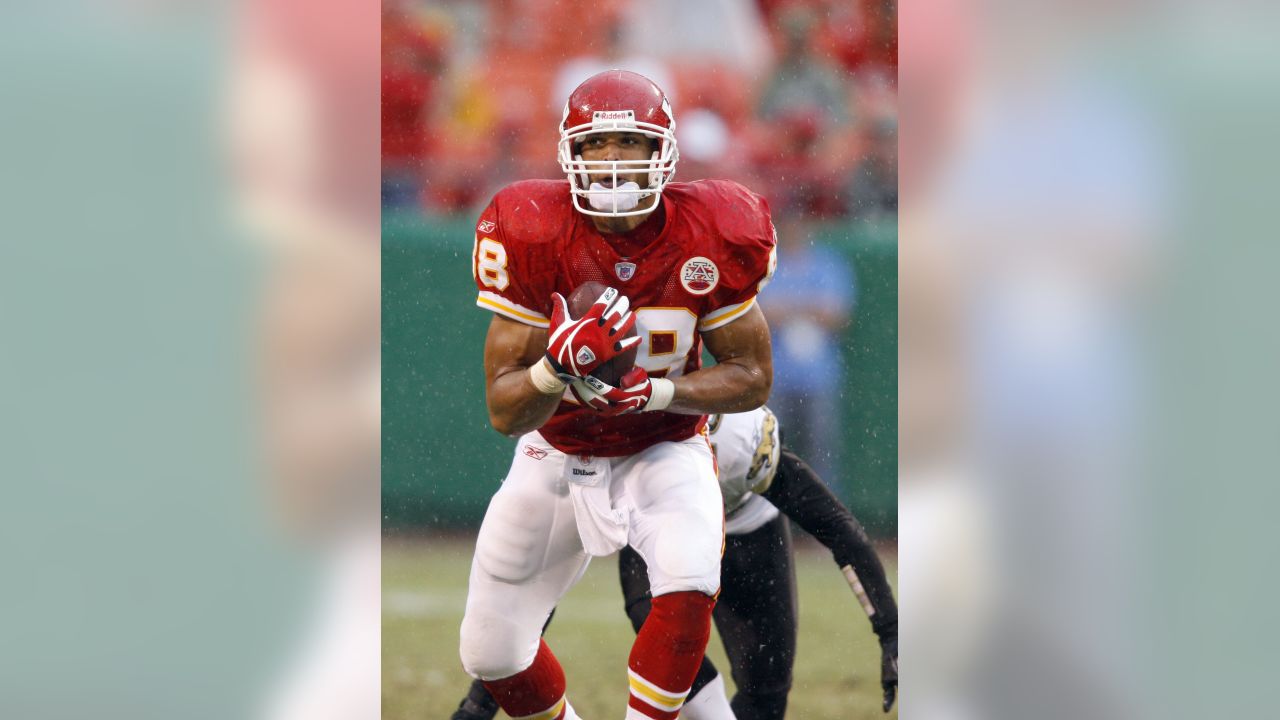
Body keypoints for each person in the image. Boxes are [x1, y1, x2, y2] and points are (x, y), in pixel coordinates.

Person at [459, 69, 777, 720]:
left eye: (628, 145)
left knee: (689, 577)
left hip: (661, 445)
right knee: (492, 653)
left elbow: (751, 375)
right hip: (556, 450)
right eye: (595, 147)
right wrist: (555, 370)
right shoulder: (529, 227)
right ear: (567, 154)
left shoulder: (714, 226)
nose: (610, 164)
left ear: (663, 151)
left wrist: (658, 393)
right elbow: (502, 409)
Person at [452, 407, 899, 720]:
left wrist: (891, 631)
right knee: (667, 631)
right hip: (657, 528)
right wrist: (482, 698)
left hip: (749, 534)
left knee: (766, 697)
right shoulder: (620, 437)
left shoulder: (741, 438)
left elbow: (836, 528)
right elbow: (538, 589)